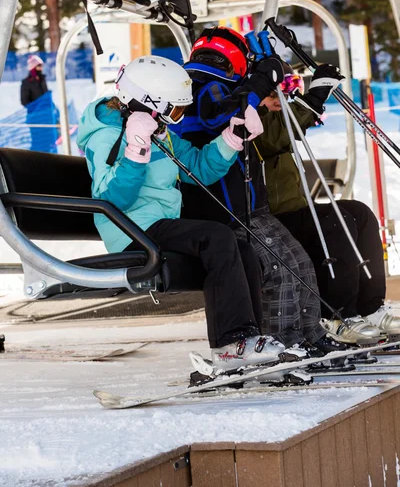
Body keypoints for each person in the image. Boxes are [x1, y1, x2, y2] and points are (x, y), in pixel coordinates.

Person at [77, 54, 285, 372]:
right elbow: (113, 199)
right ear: (148, 101)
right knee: (216, 237)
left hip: (159, 225)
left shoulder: (157, 129)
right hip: (131, 230)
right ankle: (232, 343)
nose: (175, 118)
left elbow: (197, 169)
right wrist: (135, 150)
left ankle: (248, 339)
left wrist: (232, 138)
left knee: (241, 247)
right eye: (173, 110)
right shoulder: (107, 135)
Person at [173, 26, 348, 355]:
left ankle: (308, 333)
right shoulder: (200, 86)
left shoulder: (215, 85)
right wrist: (261, 79)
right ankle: (283, 341)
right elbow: (220, 115)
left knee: (300, 263)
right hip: (225, 210)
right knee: (278, 272)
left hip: (249, 205)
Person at [255, 63, 400, 343]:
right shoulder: (250, 122)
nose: (278, 99)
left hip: (293, 209)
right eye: (272, 93)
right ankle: (338, 314)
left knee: (359, 213)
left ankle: (369, 307)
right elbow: (275, 136)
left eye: (285, 92)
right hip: (267, 219)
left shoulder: (275, 118)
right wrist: (312, 100)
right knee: (335, 222)